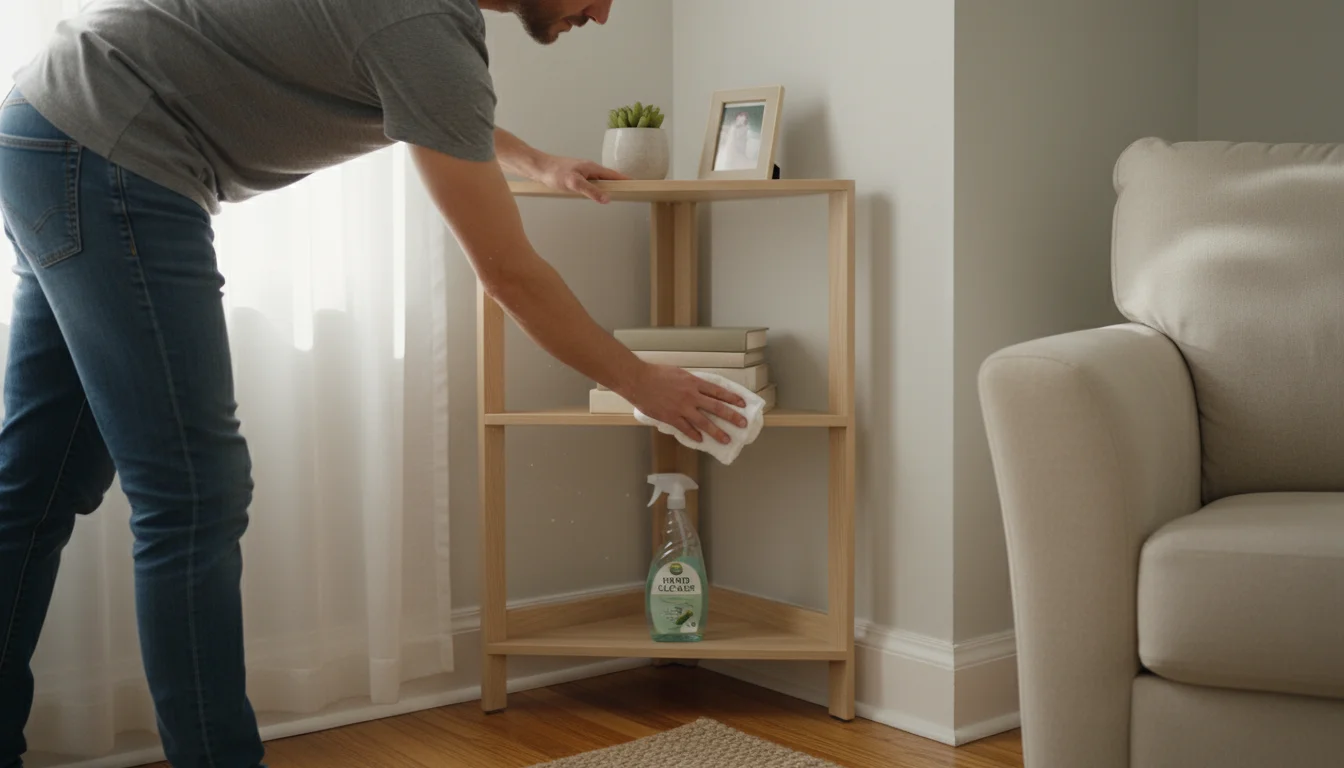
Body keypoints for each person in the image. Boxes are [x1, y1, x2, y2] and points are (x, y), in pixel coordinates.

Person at [0, 1, 748, 765]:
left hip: (51, 124)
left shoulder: (419, 27)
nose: (602, 12)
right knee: (192, 493)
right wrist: (637, 380)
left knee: (40, 482)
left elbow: (428, 103)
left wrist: (535, 162)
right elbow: (510, 274)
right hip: (108, 151)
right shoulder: (423, 28)